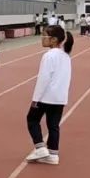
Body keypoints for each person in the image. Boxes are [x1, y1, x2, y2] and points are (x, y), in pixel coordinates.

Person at [25, 25, 74, 165]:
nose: (42, 38)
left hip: (46, 97)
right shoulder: (66, 56)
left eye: (44, 36)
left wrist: (35, 98)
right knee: (53, 125)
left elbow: (44, 79)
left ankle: (40, 147)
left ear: (54, 39)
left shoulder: (49, 56)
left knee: (32, 119)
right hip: (59, 97)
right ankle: (53, 154)